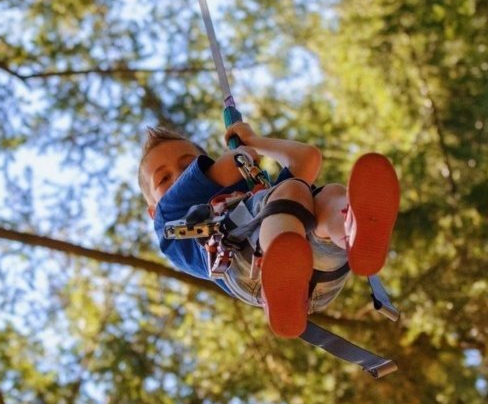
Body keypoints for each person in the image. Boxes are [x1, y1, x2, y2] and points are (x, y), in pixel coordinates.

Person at [138, 123, 399, 338]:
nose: (179, 176)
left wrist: (254, 140)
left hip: (316, 276)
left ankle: (351, 230)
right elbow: (234, 164)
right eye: (163, 179)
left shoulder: (264, 194)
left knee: (328, 195)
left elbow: (308, 158)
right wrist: (246, 152)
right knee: (295, 190)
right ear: (152, 209)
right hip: (246, 265)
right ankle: (281, 263)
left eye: (188, 165)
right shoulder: (169, 217)